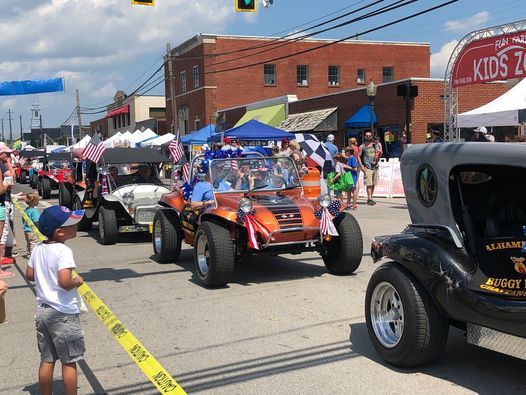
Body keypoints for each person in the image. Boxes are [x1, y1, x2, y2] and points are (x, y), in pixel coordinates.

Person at [26, 205, 85, 395]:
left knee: (47, 359)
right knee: (69, 361)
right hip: (63, 313)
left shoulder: (38, 248)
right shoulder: (63, 251)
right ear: (60, 232)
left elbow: (30, 274)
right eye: (72, 224)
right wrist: (77, 281)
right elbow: (65, 281)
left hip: (43, 312)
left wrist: (45, 277)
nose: (76, 226)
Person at [358, 130, 381, 206]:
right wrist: (361, 166)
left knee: (373, 183)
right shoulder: (362, 146)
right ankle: (369, 198)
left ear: (371, 136)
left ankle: (371, 198)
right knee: (369, 184)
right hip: (367, 167)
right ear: (364, 137)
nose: (368, 137)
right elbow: (358, 156)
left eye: (369, 136)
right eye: (366, 136)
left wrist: (378, 157)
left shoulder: (375, 145)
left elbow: (379, 153)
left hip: (375, 166)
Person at [24, 192, 41, 257]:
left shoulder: (26, 210)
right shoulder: (34, 211)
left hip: (26, 229)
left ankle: (29, 252)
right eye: (38, 200)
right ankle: (33, 255)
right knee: (34, 243)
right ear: (34, 201)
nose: (38, 202)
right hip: (33, 230)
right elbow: (37, 221)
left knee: (29, 242)